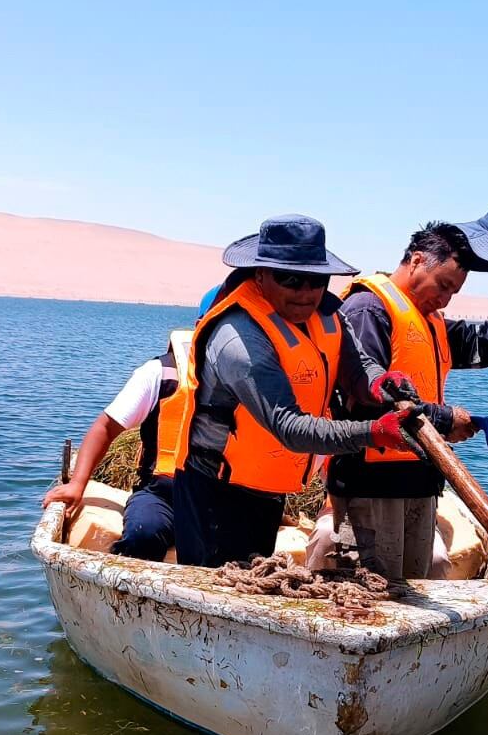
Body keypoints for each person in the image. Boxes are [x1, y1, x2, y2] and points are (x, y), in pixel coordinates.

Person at [169, 214, 421, 568]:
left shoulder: (329, 316)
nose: (305, 292)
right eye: (290, 279)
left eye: (317, 280)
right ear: (260, 275)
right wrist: (374, 432)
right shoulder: (239, 337)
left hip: (269, 486)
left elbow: (357, 366)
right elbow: (288, 426)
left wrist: (380, 383)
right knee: (222, 593)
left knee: (255, 581)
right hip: (216, 493)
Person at [326, 205, 488, 577]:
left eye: (455, 291)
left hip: (419, 478)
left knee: (419, 584)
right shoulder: (369, 309)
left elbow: (485, 346)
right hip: (372, 484)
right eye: (443, 285)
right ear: (416, 260)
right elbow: (370, 396)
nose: (446, 298)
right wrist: (446, 419)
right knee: (373, 589)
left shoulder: (430, 319)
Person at [40, 286, 222, 560]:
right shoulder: (161, 374)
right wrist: (78, 484)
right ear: (202, 325)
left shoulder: (262, 381)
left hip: (228, 500)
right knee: (143, 532)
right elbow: (105, 427)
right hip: (164, 496)